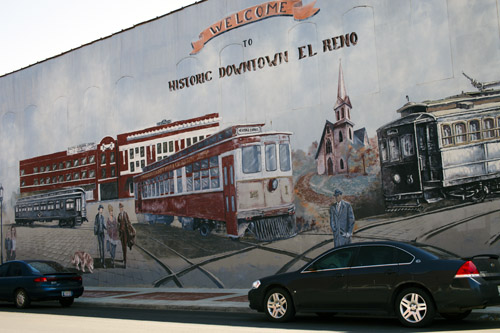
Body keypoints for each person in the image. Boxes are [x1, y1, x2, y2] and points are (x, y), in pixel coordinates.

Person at [117, 203, 135, 268]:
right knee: (123, 247)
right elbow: (118, 223)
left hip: (126, 233)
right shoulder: (119, 215)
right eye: (120, 208)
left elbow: (128, 222)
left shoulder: (125, 214)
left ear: (123, 208)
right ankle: (124, 259)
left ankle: (125, 262)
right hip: (122, 233)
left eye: (121, 207)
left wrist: (130, 229)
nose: (121, 209)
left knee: (125, 246)